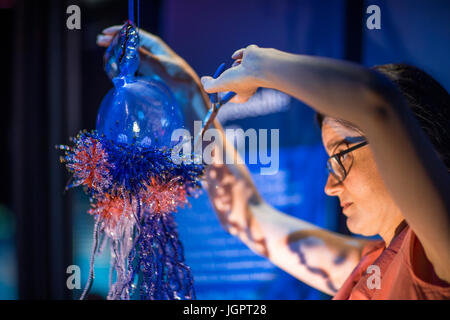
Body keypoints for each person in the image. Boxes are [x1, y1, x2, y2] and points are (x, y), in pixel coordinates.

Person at [97, 25, 450, 299]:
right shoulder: (370, 265)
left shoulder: (437, 252)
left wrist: (261, 67)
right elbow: (249, 218)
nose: (330, 186)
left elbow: (377, 102)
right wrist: (187, 89)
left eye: (341, 155)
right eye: (330, 163)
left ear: (419, 141)